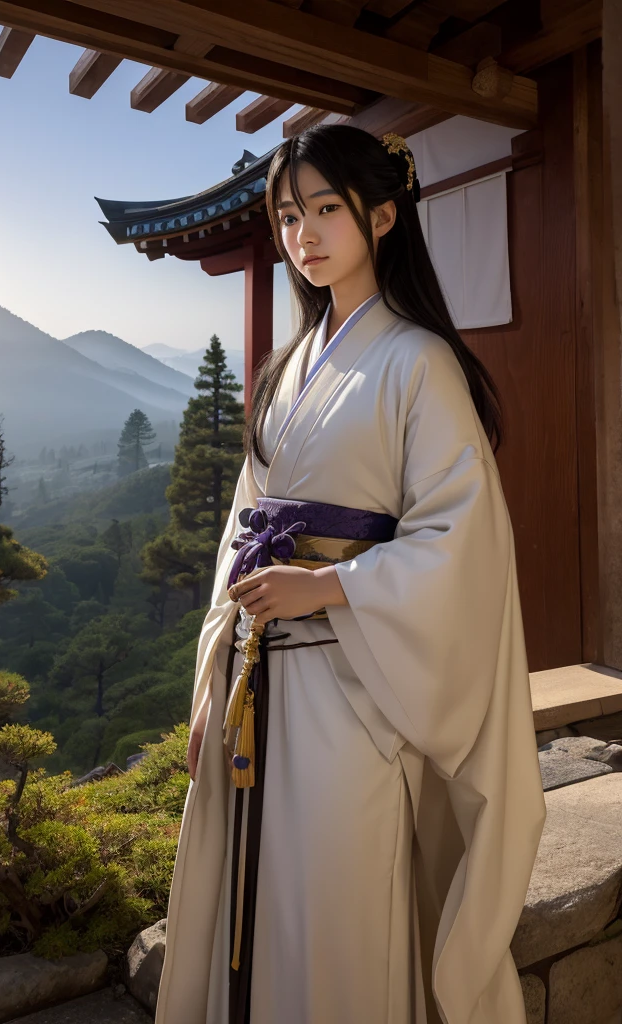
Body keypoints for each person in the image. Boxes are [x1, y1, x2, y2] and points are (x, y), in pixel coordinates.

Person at [154, 124, 546, 1024]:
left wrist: (329, 585)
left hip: (352, 690)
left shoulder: (420, 362)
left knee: (334, 910)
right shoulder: (286, 369)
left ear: (383, 216)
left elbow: (461, 539)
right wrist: (211, 682)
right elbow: (242, 530)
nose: (304, 236)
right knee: (254, 910)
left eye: (326, 209)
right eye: (290, 217)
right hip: (259, 683)